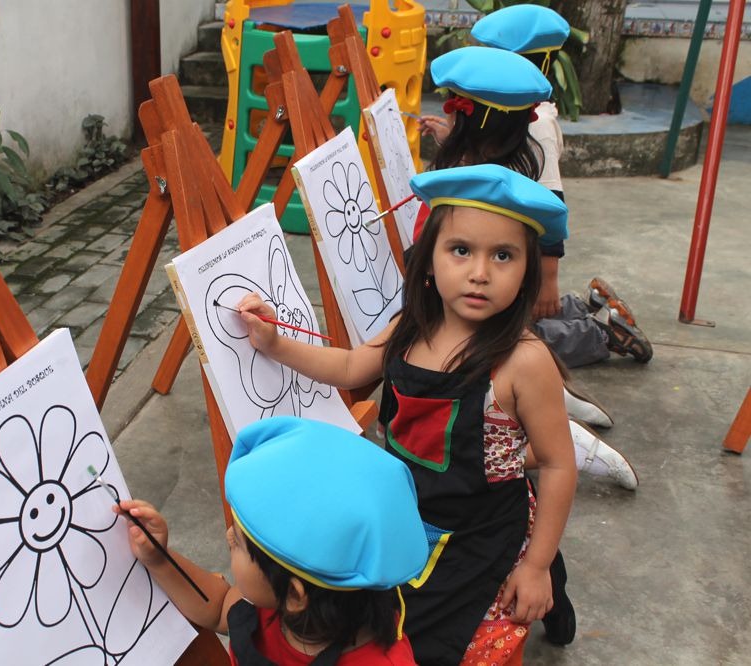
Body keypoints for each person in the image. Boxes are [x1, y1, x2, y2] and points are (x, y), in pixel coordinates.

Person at [238, 165, 578, 664]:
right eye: (461, 250)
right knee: (392, 625)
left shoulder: (524, 361)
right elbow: (351, 366)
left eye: (503, 255)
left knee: (463, 642)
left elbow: (556, 464)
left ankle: (551, 594)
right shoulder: (410, 326)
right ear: (427, 261)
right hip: (405, 516)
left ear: (528, 271)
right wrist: (275, 344)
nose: (480, 272)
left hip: (480, 532)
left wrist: (537, 565)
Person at [416, 44, 639, 494]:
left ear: (471, 123)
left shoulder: (484, 191)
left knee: (477, 434)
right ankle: (561, 405)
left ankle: (564, 439)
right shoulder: (497, 169)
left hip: (475, 337)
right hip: (485, 325)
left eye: (456, 110)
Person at [115, 416, 429, 665]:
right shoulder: (274, 607)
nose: (228, 537)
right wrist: (159, 559)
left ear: (294, 594)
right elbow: (220, 608)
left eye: (239, 543)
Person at [470, 3, 654, 369]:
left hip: (525, 251)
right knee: (513, 313)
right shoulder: (517, 112)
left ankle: (603, 334)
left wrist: (548, 280)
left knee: (499, 339)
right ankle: (583, 307)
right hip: (509, 247)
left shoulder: (535, 125)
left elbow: (551, 200)